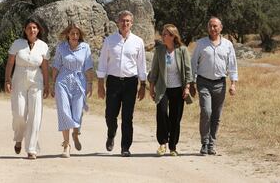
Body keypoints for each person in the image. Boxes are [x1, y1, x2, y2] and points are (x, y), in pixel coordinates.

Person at [97, 10, 147, 157]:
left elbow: (141, 65)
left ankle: (125, 147)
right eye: (122, 20)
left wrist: (142, 85)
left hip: (131, 82)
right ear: (118, 22)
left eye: (128, 21)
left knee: (127, 116)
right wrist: (100, 84)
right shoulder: (109, 41)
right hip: (113, 81)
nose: (125, 23)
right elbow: (102, 63)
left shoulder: (138, 42)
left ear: (132, 23)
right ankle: (111, 134)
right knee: (110, 115)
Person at [190, 17, 238, 155]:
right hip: (203, 82)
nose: (213, 29)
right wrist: (192, 83)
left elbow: (232, 65)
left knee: (216, 115)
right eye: (210, 26)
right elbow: (194, 64)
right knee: (206, 111)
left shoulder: (228, 45)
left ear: (221, 28)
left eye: (215, 26)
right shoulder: (201, 44)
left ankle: (212, 143)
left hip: (220, 84)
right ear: (207, 28)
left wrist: (233, 84)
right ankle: (204, 142)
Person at [4, 17, 50, 160]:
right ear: (25, 30)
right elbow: (10, 63)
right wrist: (7, 79)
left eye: (34, 28)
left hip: (36, 81)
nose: (32, 30)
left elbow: (45, 67)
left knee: (35, 114)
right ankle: (18, 137)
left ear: (38, 30)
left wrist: (48, 85)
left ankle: (31, 148)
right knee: (19, 113)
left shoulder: (43, 46)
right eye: (29, 28)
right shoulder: (17, 44)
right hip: (19, 79)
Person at [149, 24, 193, 156]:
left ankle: (173, 146)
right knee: (162, 113)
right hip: (163, 88)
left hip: (178, 89)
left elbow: (188, 70)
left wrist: (187, 88)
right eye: (162, 34)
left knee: (175, 118)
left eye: (165, 34)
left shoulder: (182, 50)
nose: (163, 36)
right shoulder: (159, 50)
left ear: (173, 36)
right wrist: (151, 87)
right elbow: (154, 70)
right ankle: (162, 143)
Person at [51, 24, 93, 158]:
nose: (75, 36)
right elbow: (56, 66)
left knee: (77, 113)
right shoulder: (61, 47)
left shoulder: (85, 47)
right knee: (64, 111)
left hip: (79, 82)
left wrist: (90, 83)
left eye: (77, 34)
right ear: (68, 35)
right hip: (62, 81)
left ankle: (76, 133)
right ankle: (66, 145)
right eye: (72, 33)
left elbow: (88, 67)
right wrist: (53, 84)